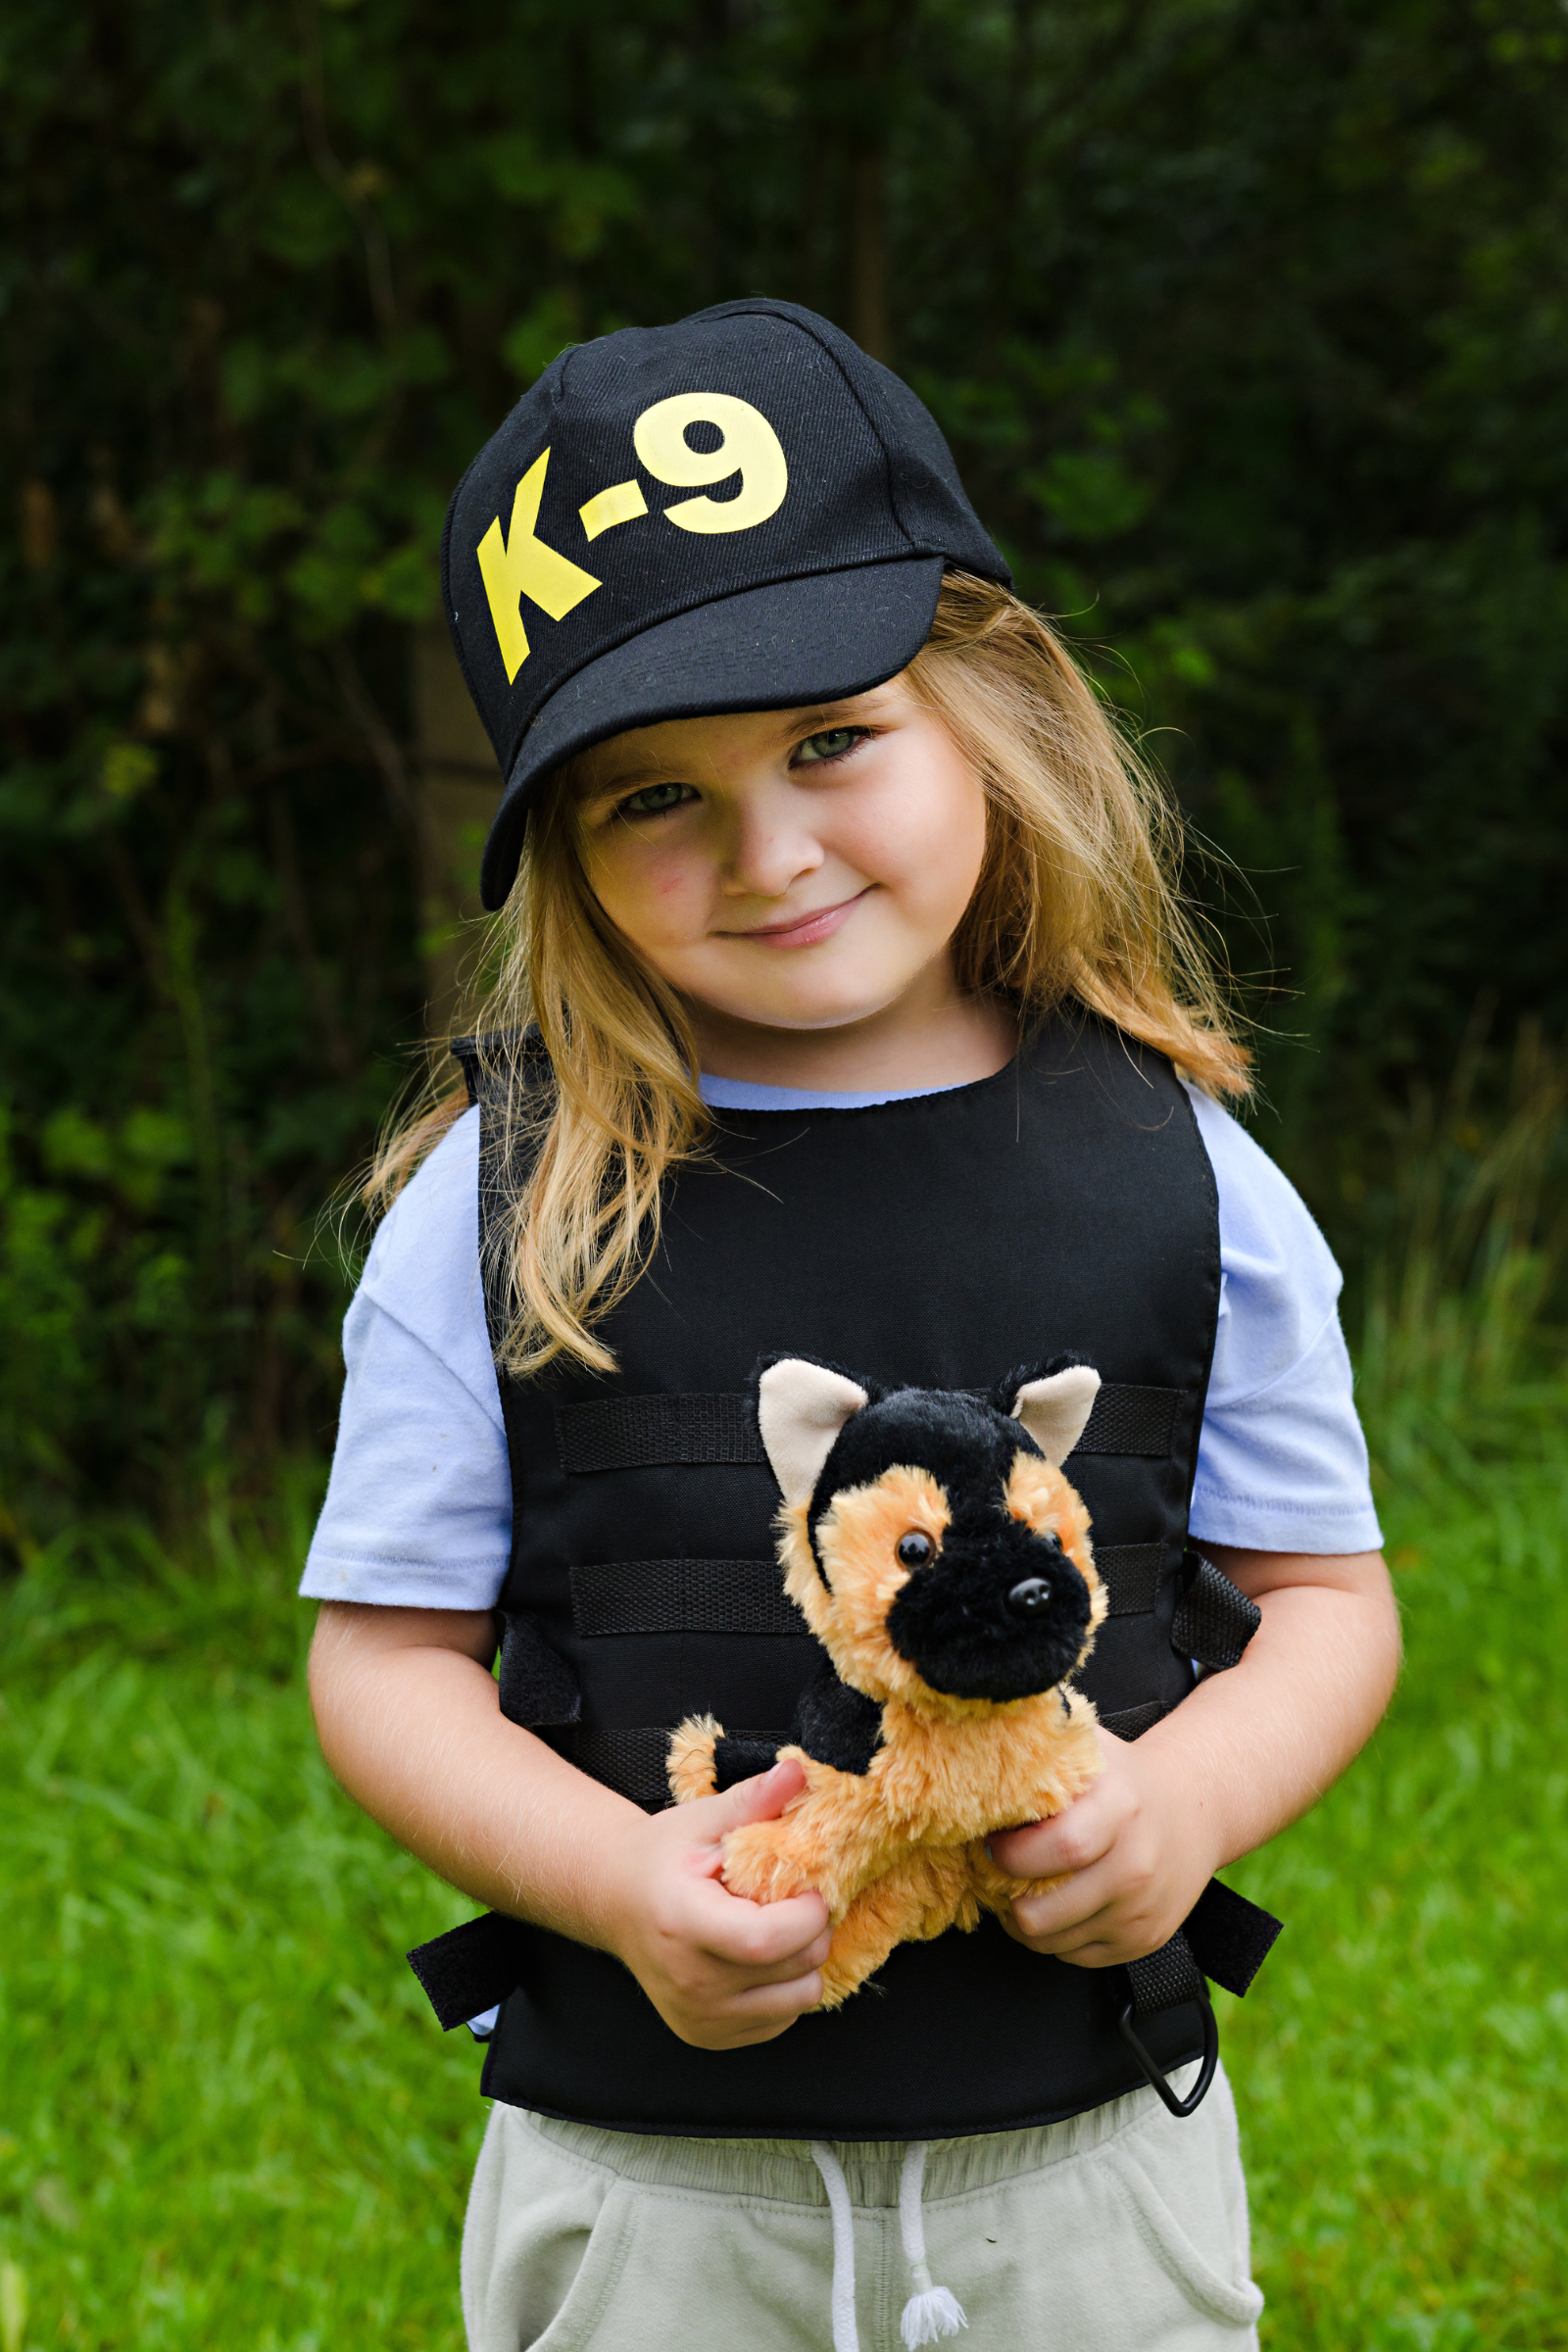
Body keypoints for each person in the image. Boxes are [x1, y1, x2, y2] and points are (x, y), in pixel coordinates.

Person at [302, 299, 1399, 2352]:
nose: (768, 852)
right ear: (560, 846)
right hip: (648, 2193)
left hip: (1082, 2170)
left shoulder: (1177, 1164)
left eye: (828, 740)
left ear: (986, 697)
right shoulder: (506, 1195)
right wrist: (620, 1888)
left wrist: (1182, 1810)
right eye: (653, 798)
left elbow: (1324, 1600)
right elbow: (383, 1666)